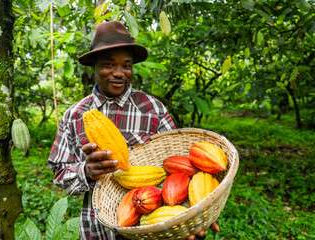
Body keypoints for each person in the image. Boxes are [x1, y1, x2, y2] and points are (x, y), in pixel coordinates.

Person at [47, 20, 219, 240]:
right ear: (94, 66)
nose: (119, 73)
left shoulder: (152, 109)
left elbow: (182, 169)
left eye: (126, 66)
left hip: (152, 225)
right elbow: (60, 175)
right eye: (109, 64)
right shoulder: (74, 115)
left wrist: (197, 210)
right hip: (97, 229)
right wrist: (86, 171)